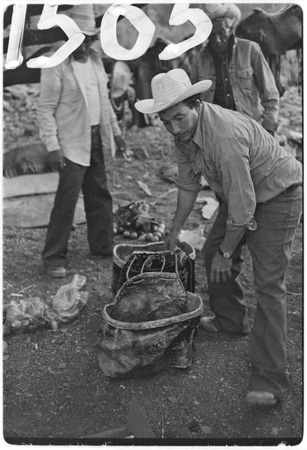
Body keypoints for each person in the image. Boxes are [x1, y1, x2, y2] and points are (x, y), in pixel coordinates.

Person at [134, 68, 302, 406]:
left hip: (279, 192)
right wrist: (174, 231)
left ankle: (271, 381)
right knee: (211, 253)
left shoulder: (223, 135)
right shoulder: (182, 132)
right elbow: (187, 185)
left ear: (196, 104)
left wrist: (230, 251)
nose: (173, 127)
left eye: (178, 118)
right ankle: (229, 320)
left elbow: (244, 206)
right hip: (242, 194)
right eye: (166, 121)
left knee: (268, 286)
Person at [38, 5, 126, 278]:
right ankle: (54, 256)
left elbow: (105, 102)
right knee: (67, 199)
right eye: (80, 38)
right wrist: (53, 146)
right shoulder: (56, 63)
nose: (85, 44)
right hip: (71, 141)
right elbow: (45, 108)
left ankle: (102, 247)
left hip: (96, 136)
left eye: (89, 39)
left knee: (99, 194)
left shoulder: (96, 61)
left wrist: (117, 133)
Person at [181, 3, 279, 136]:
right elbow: (191, 101)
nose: (217, 40)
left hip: (250, 129)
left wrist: (269, 128)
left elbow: (270, 93)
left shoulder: (250, 50)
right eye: (211, 34)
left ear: (231, 28)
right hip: (215, 132)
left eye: (222, 32)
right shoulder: (199, 59)